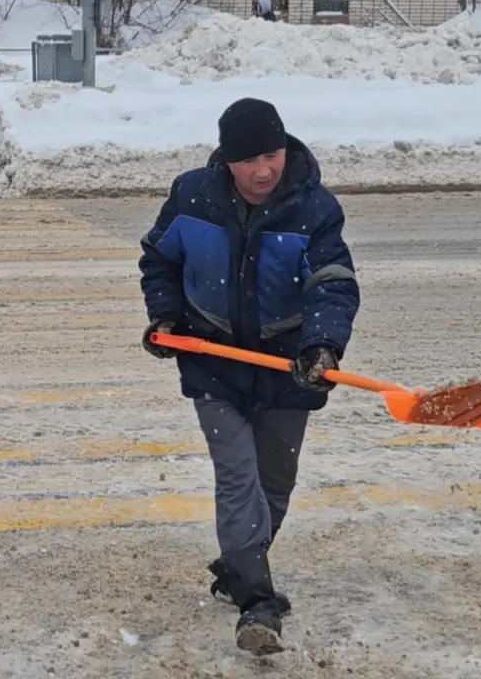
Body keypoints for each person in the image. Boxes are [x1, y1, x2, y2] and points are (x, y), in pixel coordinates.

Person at [137, 97, 359, 655]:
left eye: (274, 153)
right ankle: (257, 605)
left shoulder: (313, 207)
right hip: (213, 359)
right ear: (226, 161)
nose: (265, 169)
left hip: (288, 365)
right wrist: (164, 315)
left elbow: (332, 282)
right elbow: (160, 259)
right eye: (250, 159)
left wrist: (322, 347)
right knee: (238, 481)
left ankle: (238, 566)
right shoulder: (192, 197)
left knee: (274, 487)